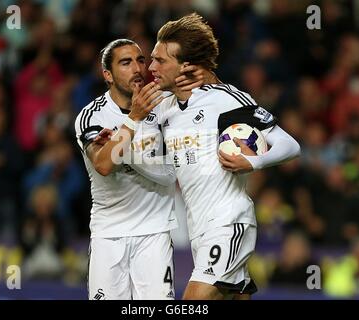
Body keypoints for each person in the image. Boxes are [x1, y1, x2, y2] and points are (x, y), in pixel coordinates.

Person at [146, 13, 301, 300]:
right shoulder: (164, 108)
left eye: (160, 61)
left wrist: (252, 161)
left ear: (187, 67)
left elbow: (289, 144)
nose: (151, 67)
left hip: (229, 222)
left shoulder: (226, 100)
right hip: (198, 231)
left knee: (192, 302)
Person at [74, 39, 206, 300]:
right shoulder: (92, 116)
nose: (136, 68)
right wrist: (133, 118)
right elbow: (103, 164)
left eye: (140, 60)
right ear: (107, 75)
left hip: (154, 233)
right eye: (126, 62)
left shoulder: (165, 105)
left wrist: (206, 75)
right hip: (109, 234)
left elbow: (171, 172)